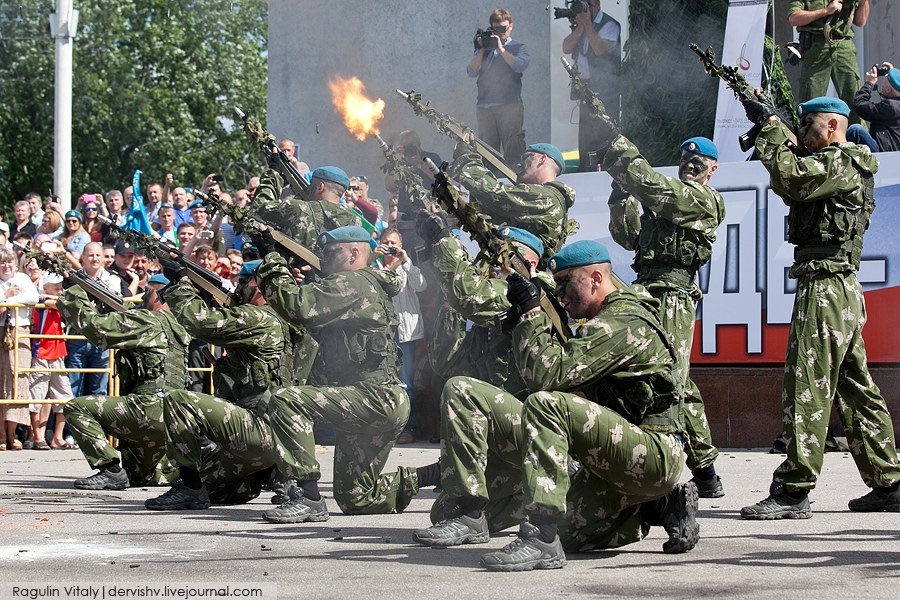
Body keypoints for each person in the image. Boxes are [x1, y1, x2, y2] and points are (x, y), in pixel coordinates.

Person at [739, 95, 900, 518]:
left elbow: (790, 178)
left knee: (806, 383)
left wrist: (772, 128)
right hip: (838, 287)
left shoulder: (842, 161)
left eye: (809, 125)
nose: (804, 133)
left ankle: (794, 490)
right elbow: (791, 176)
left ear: (832, 126)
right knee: (854, 388)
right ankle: (889, 481)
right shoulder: (842, 164)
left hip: (826, 287)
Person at [250, 225, 429, 522]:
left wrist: (270, 258)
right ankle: (433, 474)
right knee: (357, 498)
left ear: (355, 253)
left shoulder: (354, 283)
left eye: (332, 253)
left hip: (372, 398)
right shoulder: (364, 283)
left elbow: (297, 306)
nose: (325, 259)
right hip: (375, 400)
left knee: (286, 400)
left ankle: (307, 497)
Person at [604, 135, 727, 499]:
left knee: (667, 379)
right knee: (676, 381)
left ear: (713, 169)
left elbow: (658, 190)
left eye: (699, 162)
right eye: (686, 160)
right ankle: (705, 470)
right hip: (644, 291)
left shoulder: (703, 200)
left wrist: (627, 159)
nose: (691, 166)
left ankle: (663, 468)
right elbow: (627, 236)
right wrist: (620, 191)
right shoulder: (660, 204)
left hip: (674, 295)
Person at [411, 222, 550, 541]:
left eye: (503, 257)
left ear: (529, 264)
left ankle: (544, 495)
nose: (492, 264)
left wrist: (447, 244)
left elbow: (467, 292)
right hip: (505, 439)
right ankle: (526, 496)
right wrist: (450, 307)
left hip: (538, 433)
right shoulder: (492, 314)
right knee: (443, 512)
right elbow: (446, 362)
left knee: (463, 510)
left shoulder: (535, 294)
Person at [143, 259, 317, 509]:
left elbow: (200, 322)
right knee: (216, 487)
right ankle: (266, 477)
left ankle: (191, 487)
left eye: (244, 282)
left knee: (178, 401)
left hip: (259, 433)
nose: (238, 288)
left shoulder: (258, 316)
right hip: (278, 437)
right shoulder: (285, 318)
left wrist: (181, 284)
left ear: (258, 286)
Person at [58, 274, 189, 490]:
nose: (145, 297)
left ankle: (109, 469)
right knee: (139, 476)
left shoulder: (149, 320)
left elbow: (96, 328)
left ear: (161, 296)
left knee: (76, 407)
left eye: (150, 291)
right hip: (175, 417)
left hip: (147, 409)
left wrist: (75, 292)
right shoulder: (178, 326)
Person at [450, 142, 575, 265]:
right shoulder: (547, 199)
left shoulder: (545, 196)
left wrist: (466, 158)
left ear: (542, 159)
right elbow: (487, 207)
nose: (520, 164)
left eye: (527, 158)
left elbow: (492, 191)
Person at [371, 227, 426, 444]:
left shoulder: (406, 267)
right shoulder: (372, 267)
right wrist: (373, 256)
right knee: (380, 384)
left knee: (406, 384)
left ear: (400, 246)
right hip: (379, 336)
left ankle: (407, 428)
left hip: (405, 334)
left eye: (394, 243)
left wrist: (406, 261)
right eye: (386, 242)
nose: (390, 247)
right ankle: (382, 430)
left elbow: (422, 285)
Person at [562, 0, 622, 172]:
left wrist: (588, 25)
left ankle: (605, 170)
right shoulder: (581, 25)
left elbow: (599, 49)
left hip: (605, 89)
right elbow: (566, 47)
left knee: (604, 134)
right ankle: (585, 169)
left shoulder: (609, 25)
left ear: (596, 4)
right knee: (586, 135)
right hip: (586, 89)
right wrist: (581, 26)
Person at [788, 0, 869, 124]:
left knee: (853, 98)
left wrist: (863, 2)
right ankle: (809, 140)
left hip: (844, 46)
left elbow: (860, 22)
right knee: (811, 100)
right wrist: (825, 11)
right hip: (816, 47)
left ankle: (858, 139)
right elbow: (793, 18)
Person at [467, 8, 529, 162]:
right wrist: (481, 48)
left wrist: (500, 48)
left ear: (511, 26)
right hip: (485, 106)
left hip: (509, 105)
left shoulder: (519, 47)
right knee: (487, 152)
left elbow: (519, 66)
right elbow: (471, 71)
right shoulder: (485, 48)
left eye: (503, 28)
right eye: (496, 29)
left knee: (513, 149)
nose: (500, 32)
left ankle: (514, 182)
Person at [252, 166, 362, 252]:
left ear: (320, 187)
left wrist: (273, 174)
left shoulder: (299, 208)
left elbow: (259, 208)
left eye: (311, 184)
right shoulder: (355, 221)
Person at [27, 273, 73, 451]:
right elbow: (51, 303)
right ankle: (38, 436)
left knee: (63, 396)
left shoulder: (56, 299)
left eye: (60, 287)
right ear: (45, 287)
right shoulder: (42, 300)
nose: (59, 290)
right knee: (37, 396)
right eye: (55, 287)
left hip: (58, 352)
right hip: (41, 352)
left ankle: (57, 437)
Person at [0, 247, 40, 450]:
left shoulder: (23, 278)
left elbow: (33, 297)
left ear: (15, 264)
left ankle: (13, 434)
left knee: (18, 380)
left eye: (9, 262)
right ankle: (0, 435)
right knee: (1, 381)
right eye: (2, 263)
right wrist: (5, 295)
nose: (6, 266)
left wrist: (7, 300)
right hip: (1, 331)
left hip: (20, 330)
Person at [384, 130, 442, 222]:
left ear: (419, 144)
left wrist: (419, 163)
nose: (409, 150)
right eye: (405, 148)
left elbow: (440, 180)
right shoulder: (400, 163)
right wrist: (396, 162)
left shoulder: (431, 158)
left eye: (411, 147)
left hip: (431, 211)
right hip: (406, 214)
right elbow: (389, 186)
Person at [847, 64, 900, 152]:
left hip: (884, 154)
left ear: (888, 90)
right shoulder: (895, 105)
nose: (882, 81)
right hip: (895, 153)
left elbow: (860, 105)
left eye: (885, 81)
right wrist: (893, 73)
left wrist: (869, 83)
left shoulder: (890, 106)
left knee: (855, 130)